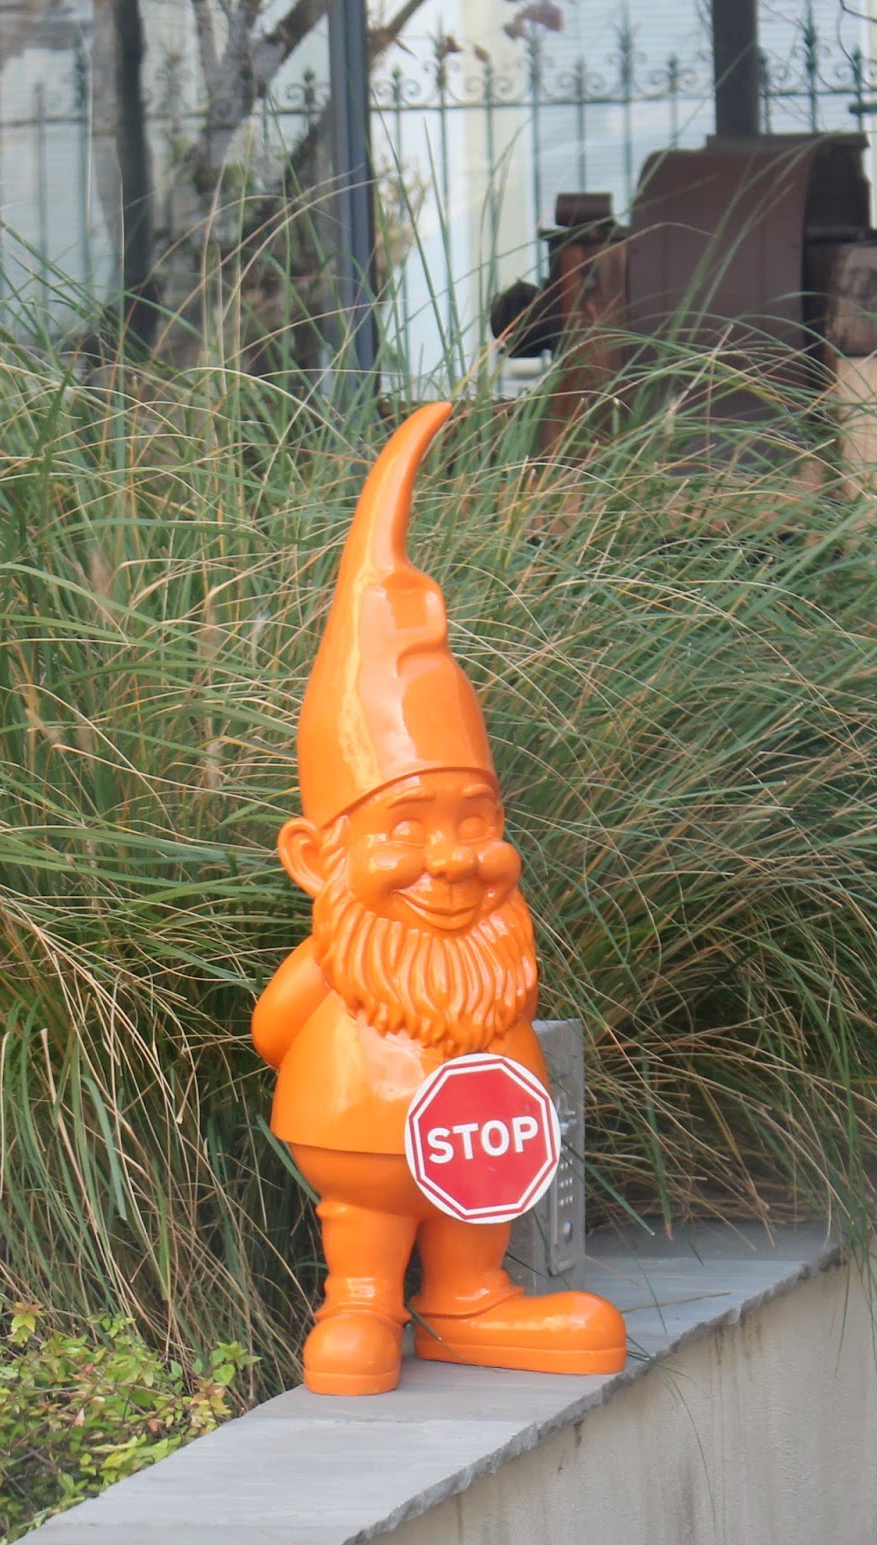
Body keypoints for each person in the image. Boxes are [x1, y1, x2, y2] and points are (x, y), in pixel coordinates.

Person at [252, 402, 627, 1396]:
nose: (454, 862)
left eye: (476, 822)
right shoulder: (340, 957)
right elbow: (274, 1031)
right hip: (356, 1151)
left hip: (480, 1153)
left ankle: (467, 1300)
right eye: (407, 828)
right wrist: (331, 970)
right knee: (365, 1219)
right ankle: (361, 1298)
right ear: (313, 858)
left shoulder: (492, 963)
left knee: (480, 1217)